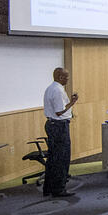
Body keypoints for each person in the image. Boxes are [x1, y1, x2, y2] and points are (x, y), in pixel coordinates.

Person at [41, 68, 79, 197]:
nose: (68, 79)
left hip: (52, 124)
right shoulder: (57, 90)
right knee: (61, 159)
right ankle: (59, 188)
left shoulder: (50, 88)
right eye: (66, 77)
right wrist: (72, 103)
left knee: (52, 159)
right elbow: (59, 111)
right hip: (59, 126)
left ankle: (49, 188)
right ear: (59, 76)